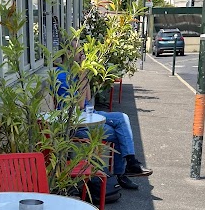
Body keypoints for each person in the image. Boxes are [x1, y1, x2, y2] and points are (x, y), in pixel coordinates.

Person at [56, 42, 153, 190]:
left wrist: (85, 73)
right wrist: (82, 74)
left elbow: (87, 97)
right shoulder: (61, 76)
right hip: (77, 124)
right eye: (79, 50)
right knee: (120, 131)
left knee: (122, 119)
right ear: (68, 53)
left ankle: (128, 166)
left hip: (90, 116)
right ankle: (123, 172)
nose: (83, 53)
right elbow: (80, 106)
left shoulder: (73, 72)